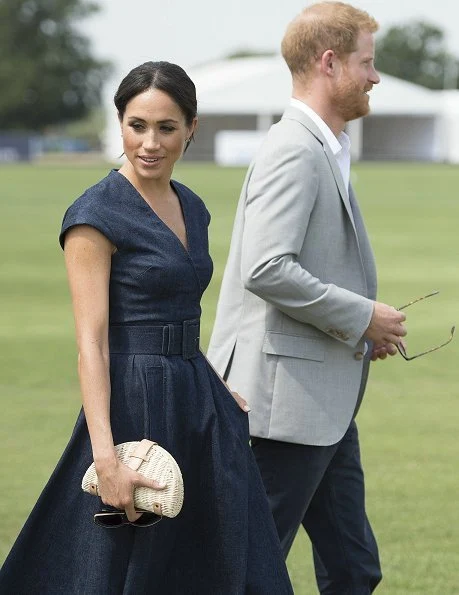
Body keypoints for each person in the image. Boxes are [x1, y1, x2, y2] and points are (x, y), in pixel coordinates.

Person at [0, 61, 293, 594]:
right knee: (126, 565)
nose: (150, 143)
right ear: (120, 123)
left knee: (223, 556)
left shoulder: (194, 207)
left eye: (166, 127)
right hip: (135, 401)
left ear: (191, 128)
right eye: (137, 126)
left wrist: (216, 387)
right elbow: (91, 345)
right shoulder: (94, 214)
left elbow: (182, 312)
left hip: (199, 400)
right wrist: (105, 458)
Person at [207, 3, 407, 593]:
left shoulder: (325, 147)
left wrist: (356, 331)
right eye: (366, 63)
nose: (374, 76)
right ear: (329, 63)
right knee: (251, 571)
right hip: (279, 408)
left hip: (323, 403)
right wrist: (361, 317)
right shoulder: (294, 148)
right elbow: (266, 268)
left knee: (353, 568)